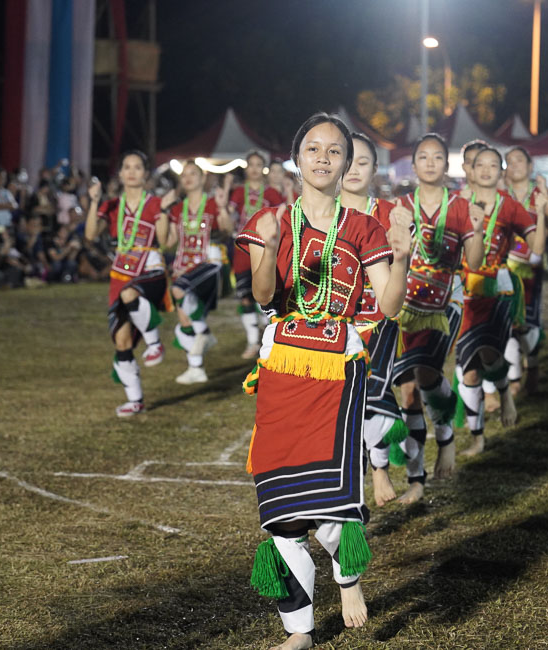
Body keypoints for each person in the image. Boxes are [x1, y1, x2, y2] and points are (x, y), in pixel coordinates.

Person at [237, 113, 409, 649]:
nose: (324, 158)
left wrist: (401, 258)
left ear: (347, 163)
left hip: (338, 368)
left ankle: (348, 578)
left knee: (328, 497)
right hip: (282, 366)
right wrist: (265, 249)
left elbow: (389, 304)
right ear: (297, 157)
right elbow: (265, 296)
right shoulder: (271, 219)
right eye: (314, 148)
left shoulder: (364, 226)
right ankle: (300, 631)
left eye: (336, 151)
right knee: (281, 509)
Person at [390, 133, 484, 505]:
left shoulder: (461, 207)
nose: (430, 163)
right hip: (407, 305)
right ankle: (416, 479)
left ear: (447, 166)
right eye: (423, 157)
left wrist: (475, 226)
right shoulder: (398, 206)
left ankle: (446, 439)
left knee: (427, 374)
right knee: (408, 389)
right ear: (413, 166)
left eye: (437, 157)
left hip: (446, 304)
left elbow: (473, 263)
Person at [455, 147, 547, 457]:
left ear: (501, 171)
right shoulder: (457, 204)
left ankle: (504, 390)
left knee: (491, 357)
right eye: (479, 164)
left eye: (493, 165)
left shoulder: (508, 206)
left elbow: (537, 247)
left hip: (496, 292)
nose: (485, 169)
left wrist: (543, 211)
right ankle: (477, 437)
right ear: (470, 169)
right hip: (462, 293)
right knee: (468, 368)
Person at [340, 132, 409, 507]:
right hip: (333, 323)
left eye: (362, 162)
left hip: (379, 319)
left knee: (369, 390)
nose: (352, 169)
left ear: (375, 169)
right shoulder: (319, 211)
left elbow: (400, 281)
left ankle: (379, 467)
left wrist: (403, 247)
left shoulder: (391, 213)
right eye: (346, 160)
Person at [85, 150, 170, 417]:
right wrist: (94, 201)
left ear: (145, 174)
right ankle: (135, 400)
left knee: (130, 294)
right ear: (120, 173)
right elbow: (90, 234)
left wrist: (165, 212)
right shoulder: (111, 205)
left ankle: (155, 343)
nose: (132, 172)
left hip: (150, 269)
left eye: (137, 167)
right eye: (126, 167)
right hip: (120, 273)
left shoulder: (155, 202)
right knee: (121, 340)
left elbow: (167, 242)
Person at [166, 161, 234, 384]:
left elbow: (227, 230)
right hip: (183, 267)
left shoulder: (213, 203)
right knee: (185, 321)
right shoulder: (177, 209)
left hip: (209, 265)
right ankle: (196, 367)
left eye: (193, 173)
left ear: (203, 178)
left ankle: (205, 336)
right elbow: (167, 242)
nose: (188, 178)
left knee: (178, 290)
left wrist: (223, 208)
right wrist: (160, 212)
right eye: (184, 174)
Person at [502, 146, 548, 396]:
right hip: (505, 265)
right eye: (509, 161)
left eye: (520, 160)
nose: (515, 165)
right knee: (508, 322)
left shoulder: (538, 193)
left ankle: (532, 367)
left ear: (530, 166)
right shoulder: (502, 194)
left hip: (531, 266)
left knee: (529, 321)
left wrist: (544, 197)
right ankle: (514, 378)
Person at [229, 151, 285, 359]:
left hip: (265, 248)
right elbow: (230, 218)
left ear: (264, 168)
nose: (254, 168)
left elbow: (282, 217)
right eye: (250, 164)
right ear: (246, 168)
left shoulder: (271, 192)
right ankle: (252, 341)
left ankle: (268, 338)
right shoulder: (237, 192)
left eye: (258, 164)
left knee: (266, 293)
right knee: (244, 295)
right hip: (243, 248)